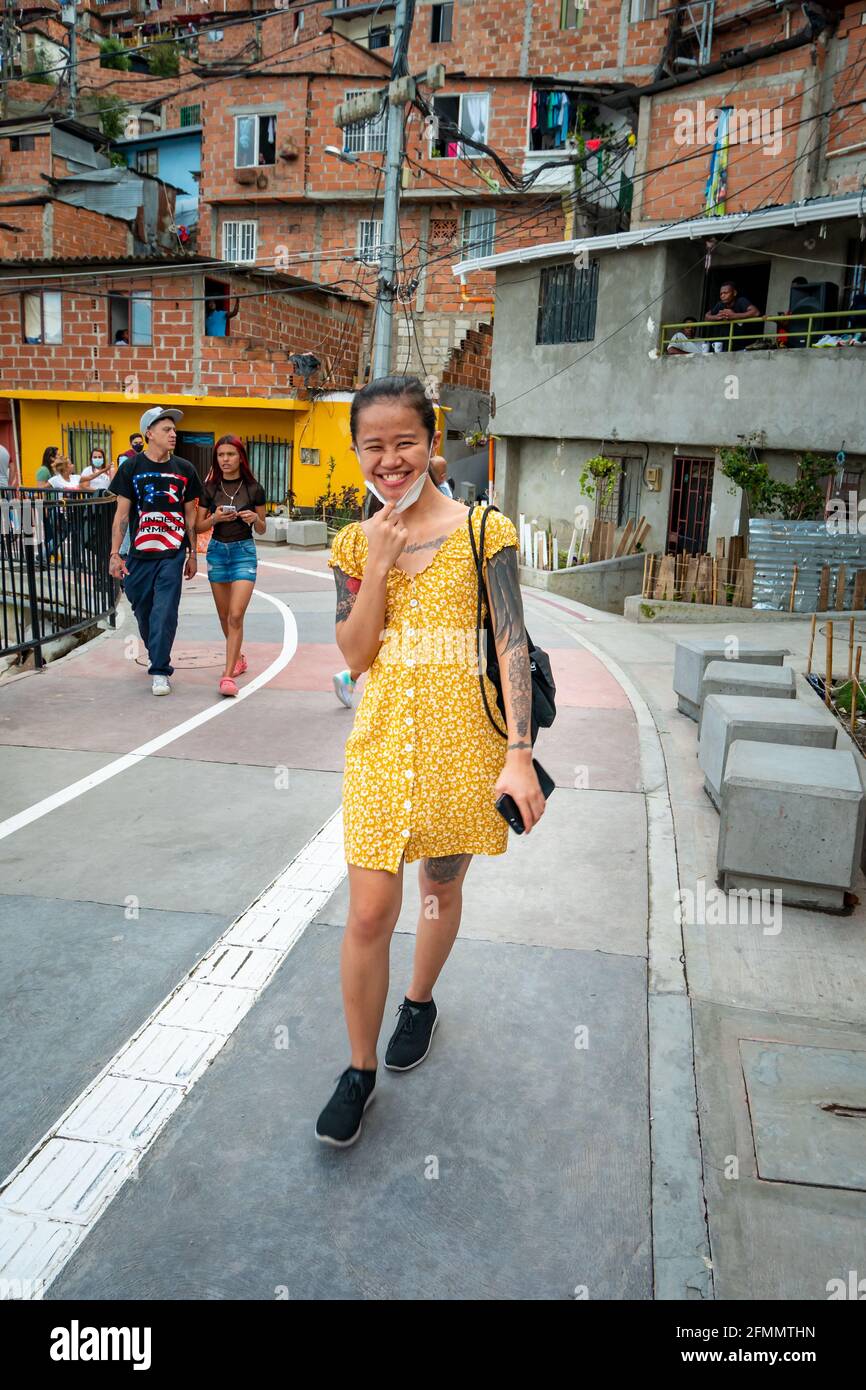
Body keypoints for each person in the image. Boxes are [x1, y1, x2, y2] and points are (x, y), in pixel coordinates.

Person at [315, 374, 546, 1148]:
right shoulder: (353, 541)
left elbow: (511, 641)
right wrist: (378, 560)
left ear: (431, 443)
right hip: (380, 747)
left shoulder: (486, 532)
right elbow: (354, 653)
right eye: (373, 446)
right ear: (357, 453)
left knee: (439, 891)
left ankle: (419, 1001)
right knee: (370, 911)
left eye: (404, 441)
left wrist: (519, 755)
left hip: (462, 751)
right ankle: (358, 1070)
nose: (390, 459)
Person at [108, 406, 202, 696]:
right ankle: (155, 650)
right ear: (149, 433)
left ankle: (160, 670)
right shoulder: (131, 468)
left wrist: (192, 554)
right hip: (139, 553)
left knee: (165, 611)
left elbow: (190, 517)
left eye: (174, 430)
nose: (173, 434)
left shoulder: (185, 469)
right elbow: (122, 515)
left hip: (172, 552)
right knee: (143, 608)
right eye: (166, 429)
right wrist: (114, 554)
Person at [196, 435, 266, 696]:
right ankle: (238, 657)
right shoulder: (210, 489)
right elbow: (198, 526)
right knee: (225, 616)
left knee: (236, 615)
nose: (225, 460)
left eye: (230, 455)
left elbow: (262, 527)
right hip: (216, 553)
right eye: (221, 455)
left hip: (244, 553)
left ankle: (227, 676)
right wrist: (214, 517)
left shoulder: (254, 488)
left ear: (240, 457)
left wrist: (253, 518)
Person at [705, 282, 761, 349]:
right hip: (724, 346)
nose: (722, 296)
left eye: (726, 293)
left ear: (734, 293)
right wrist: (717, 317)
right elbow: (707, 316)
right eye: (721, 294)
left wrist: (734, 315)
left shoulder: (741, 301)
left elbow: (756, 312)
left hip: (742, 346)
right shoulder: (720, 304)